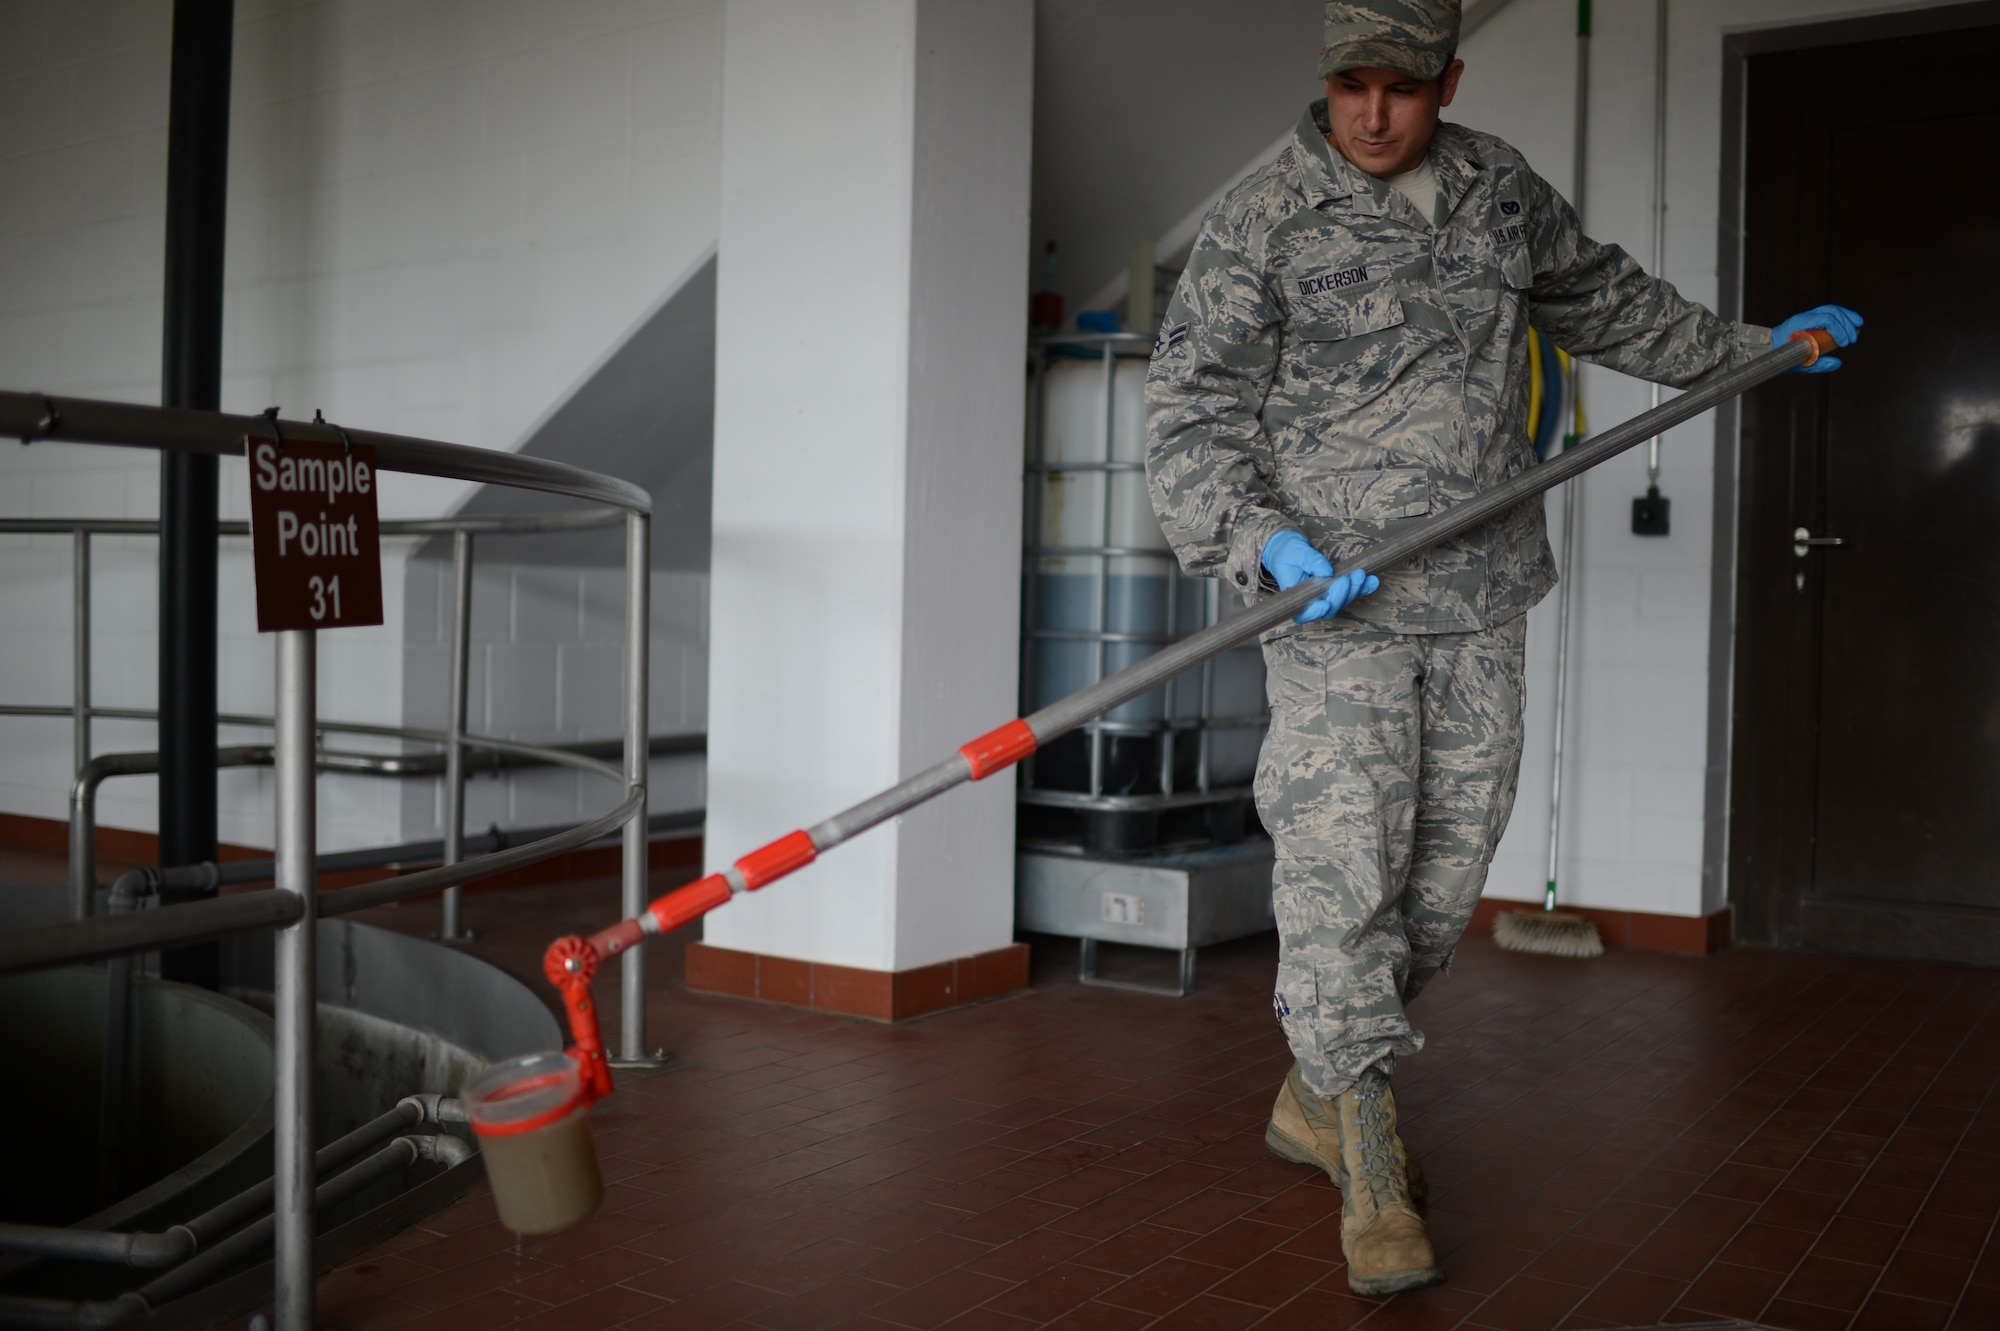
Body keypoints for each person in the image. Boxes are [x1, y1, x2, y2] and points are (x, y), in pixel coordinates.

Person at [1143, 0, 1860, 1297]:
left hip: (1481, 591)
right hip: (1333, 609)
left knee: (1435, 895)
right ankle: (1366, 1155)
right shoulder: (1263, 220)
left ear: (1448, 80)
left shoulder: (1498, 191)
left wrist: (1754, 350)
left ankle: (1315, 1083)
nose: (1374, 114)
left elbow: (1610, 305)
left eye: (1403, 88)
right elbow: (1188, 419)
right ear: (1327, 79)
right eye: (1354, 84)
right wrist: (1263, 545)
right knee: (1340, 879)